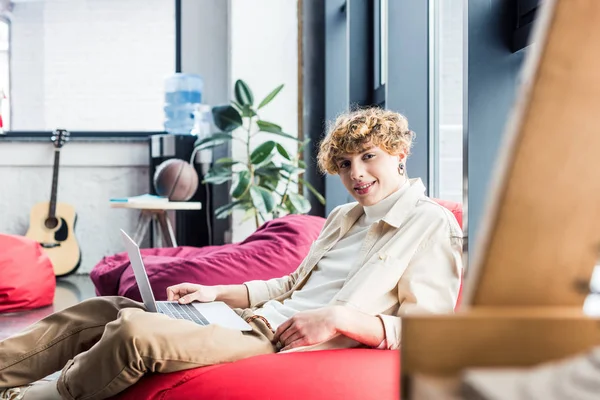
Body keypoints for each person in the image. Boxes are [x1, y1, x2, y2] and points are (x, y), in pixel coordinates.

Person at [0, 107, 462, 400]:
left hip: (277, 341)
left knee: (135, 331)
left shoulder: (430, 223)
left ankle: (42, 397)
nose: (356, 173)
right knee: (107, 307)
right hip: (252, 316)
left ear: (400, 152)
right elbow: (288, 284)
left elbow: (433, 334)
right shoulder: (344, 216)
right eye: (344, 164)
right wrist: (216, 293)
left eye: (369, 157)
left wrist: (340, 320)